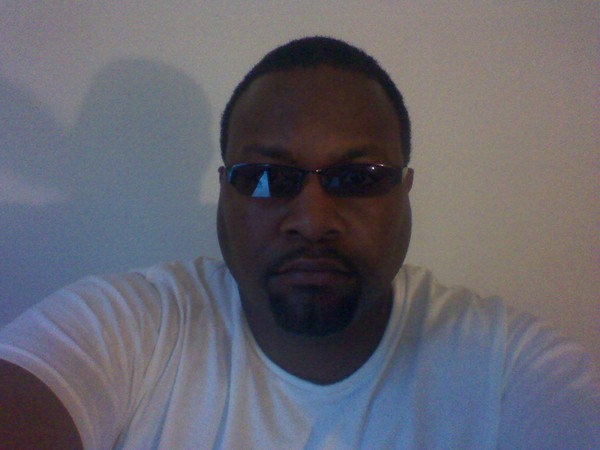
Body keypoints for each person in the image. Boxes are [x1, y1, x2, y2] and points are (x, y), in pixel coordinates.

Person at [1, 37, 598, 449]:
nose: (312, 221)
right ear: (224, 191)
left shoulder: (504, 366)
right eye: (266, 178)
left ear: (405, 191)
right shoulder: (130, 328)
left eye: (357, 179)